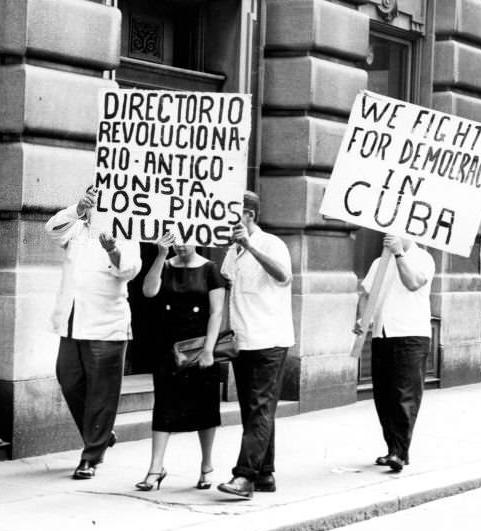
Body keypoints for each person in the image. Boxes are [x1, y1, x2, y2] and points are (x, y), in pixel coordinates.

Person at [46, 185, 141, 479]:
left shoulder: (125, 229)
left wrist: (112, 249)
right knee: (69, 378)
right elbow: (52, 229)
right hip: (72, 322)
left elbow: (130, 270)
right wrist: (78, 208)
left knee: (102, 391)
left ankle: (91, 456)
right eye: (92, 195)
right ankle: (99, 434)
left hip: (106, 326)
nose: (97, 200)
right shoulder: (77, 228)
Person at [216, 191, 295, 500]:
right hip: (243, 340)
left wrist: (249, 246)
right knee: (255, 410)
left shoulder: (272, 244)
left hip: (269, 340)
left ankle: (244, 476)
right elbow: (226, 283)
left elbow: (284, 276)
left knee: (260, 407)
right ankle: (265, 473)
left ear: (247, 215)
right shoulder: (233, 251)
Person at [136, 231, 227, 491]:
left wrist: (209, 349)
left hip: (198, 346)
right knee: (163, 405)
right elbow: (148, 291)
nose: (180, 244)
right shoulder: (165, 265)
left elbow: (216, 312)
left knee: (205, 407)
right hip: (168, 347)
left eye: (185, 238)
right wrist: (161, 255)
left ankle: (206, 466)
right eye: (175, 239)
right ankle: (155, 468)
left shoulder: (210, 269)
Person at [356, 233, 435, 473]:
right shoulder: (379, 263)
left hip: (410, 334)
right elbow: (365, 294)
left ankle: (400, 453)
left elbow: (412, 283)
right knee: (384, 396)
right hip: (383, 333)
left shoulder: (423, 258)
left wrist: (400, 253)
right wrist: (362, 317)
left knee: (405, 395)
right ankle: (393, 448)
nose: (389, 235)